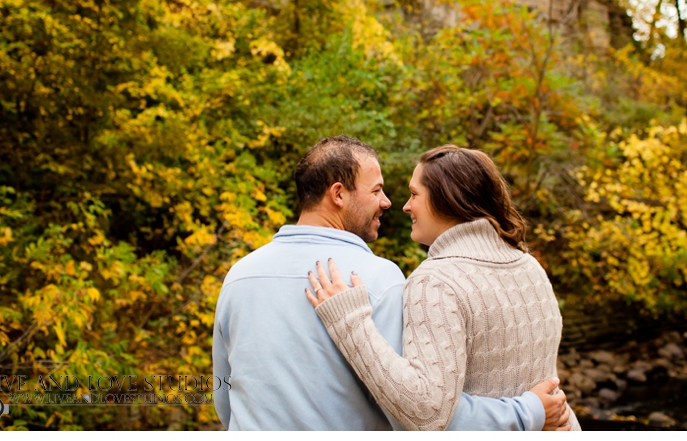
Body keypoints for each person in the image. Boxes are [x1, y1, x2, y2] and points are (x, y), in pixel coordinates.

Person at [213, 135, 570, 430]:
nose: (390, 203)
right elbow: (422, 411)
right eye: (378, 191)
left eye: (410, 194)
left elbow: (224, 397)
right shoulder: (379, 279)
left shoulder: (239, 275)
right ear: (338, 195)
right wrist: (530, 413)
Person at [306, 144, 581, 431]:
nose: (405, 206)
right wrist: (533, 414)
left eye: (414, 194)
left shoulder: (436, 281)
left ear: (446, 199)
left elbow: (426, 414)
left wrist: (351, 323)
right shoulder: (529, 266)